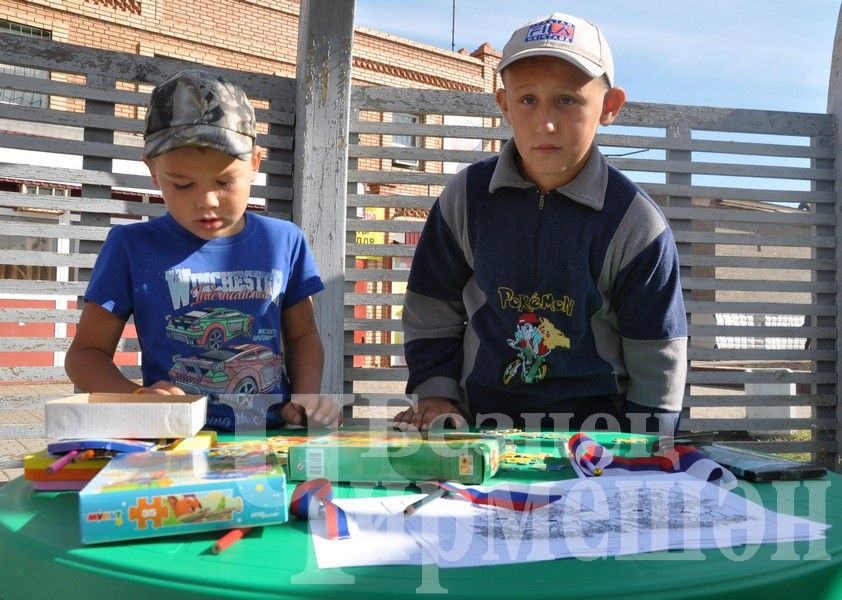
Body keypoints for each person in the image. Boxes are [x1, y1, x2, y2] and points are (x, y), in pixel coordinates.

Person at [395, 12, 687, 435]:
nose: (545, 122)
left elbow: (657, 354)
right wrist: (437, 395)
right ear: (504, 105)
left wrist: (641, 453)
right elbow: (432, 306)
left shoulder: (635, 222)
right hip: (478, 435)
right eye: (528, 99)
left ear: (610, 107)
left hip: (595, 445)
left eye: (567, 100)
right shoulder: (466, 197)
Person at [65, 69, 339, 431]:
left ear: (255, 163)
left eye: (225, 181)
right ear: (152, 170)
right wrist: (135, 398)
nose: (206, 201)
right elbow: (85, 355)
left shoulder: (285, 241)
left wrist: (305, 399)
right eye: (182, 184)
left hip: (269, 438)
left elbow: (303, 336)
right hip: (172, 439)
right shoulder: (130, 247)